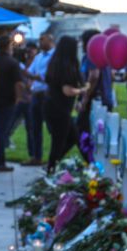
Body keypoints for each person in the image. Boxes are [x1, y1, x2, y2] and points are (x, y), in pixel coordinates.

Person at [44, 36, 88, 173]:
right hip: (59, 109)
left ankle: (53, 165)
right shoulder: (65, 67)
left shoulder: (55, 63)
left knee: (72, 137)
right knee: (60, 141)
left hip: (54, 107)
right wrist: (84, 89)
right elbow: (67, 91)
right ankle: (51, 168)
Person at [0, 34, 20, 172]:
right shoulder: (12, 63)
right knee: (2, 133)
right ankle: (1, 163)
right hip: (7, 101)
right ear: (8, 46)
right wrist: (17, 99)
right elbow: (17, 83)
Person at [23, 32, 54, 166]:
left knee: (51, 127)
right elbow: (30, 72)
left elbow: (47, 76)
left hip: (48, 95)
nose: (39, 42)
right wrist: (34, 77)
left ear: (50, 40)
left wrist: (36, 77)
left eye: (42, 39)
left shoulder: (55, 56)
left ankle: (55, 157)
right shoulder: (39, 57)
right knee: (34, 127)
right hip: (36, 94)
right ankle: (37, 156)